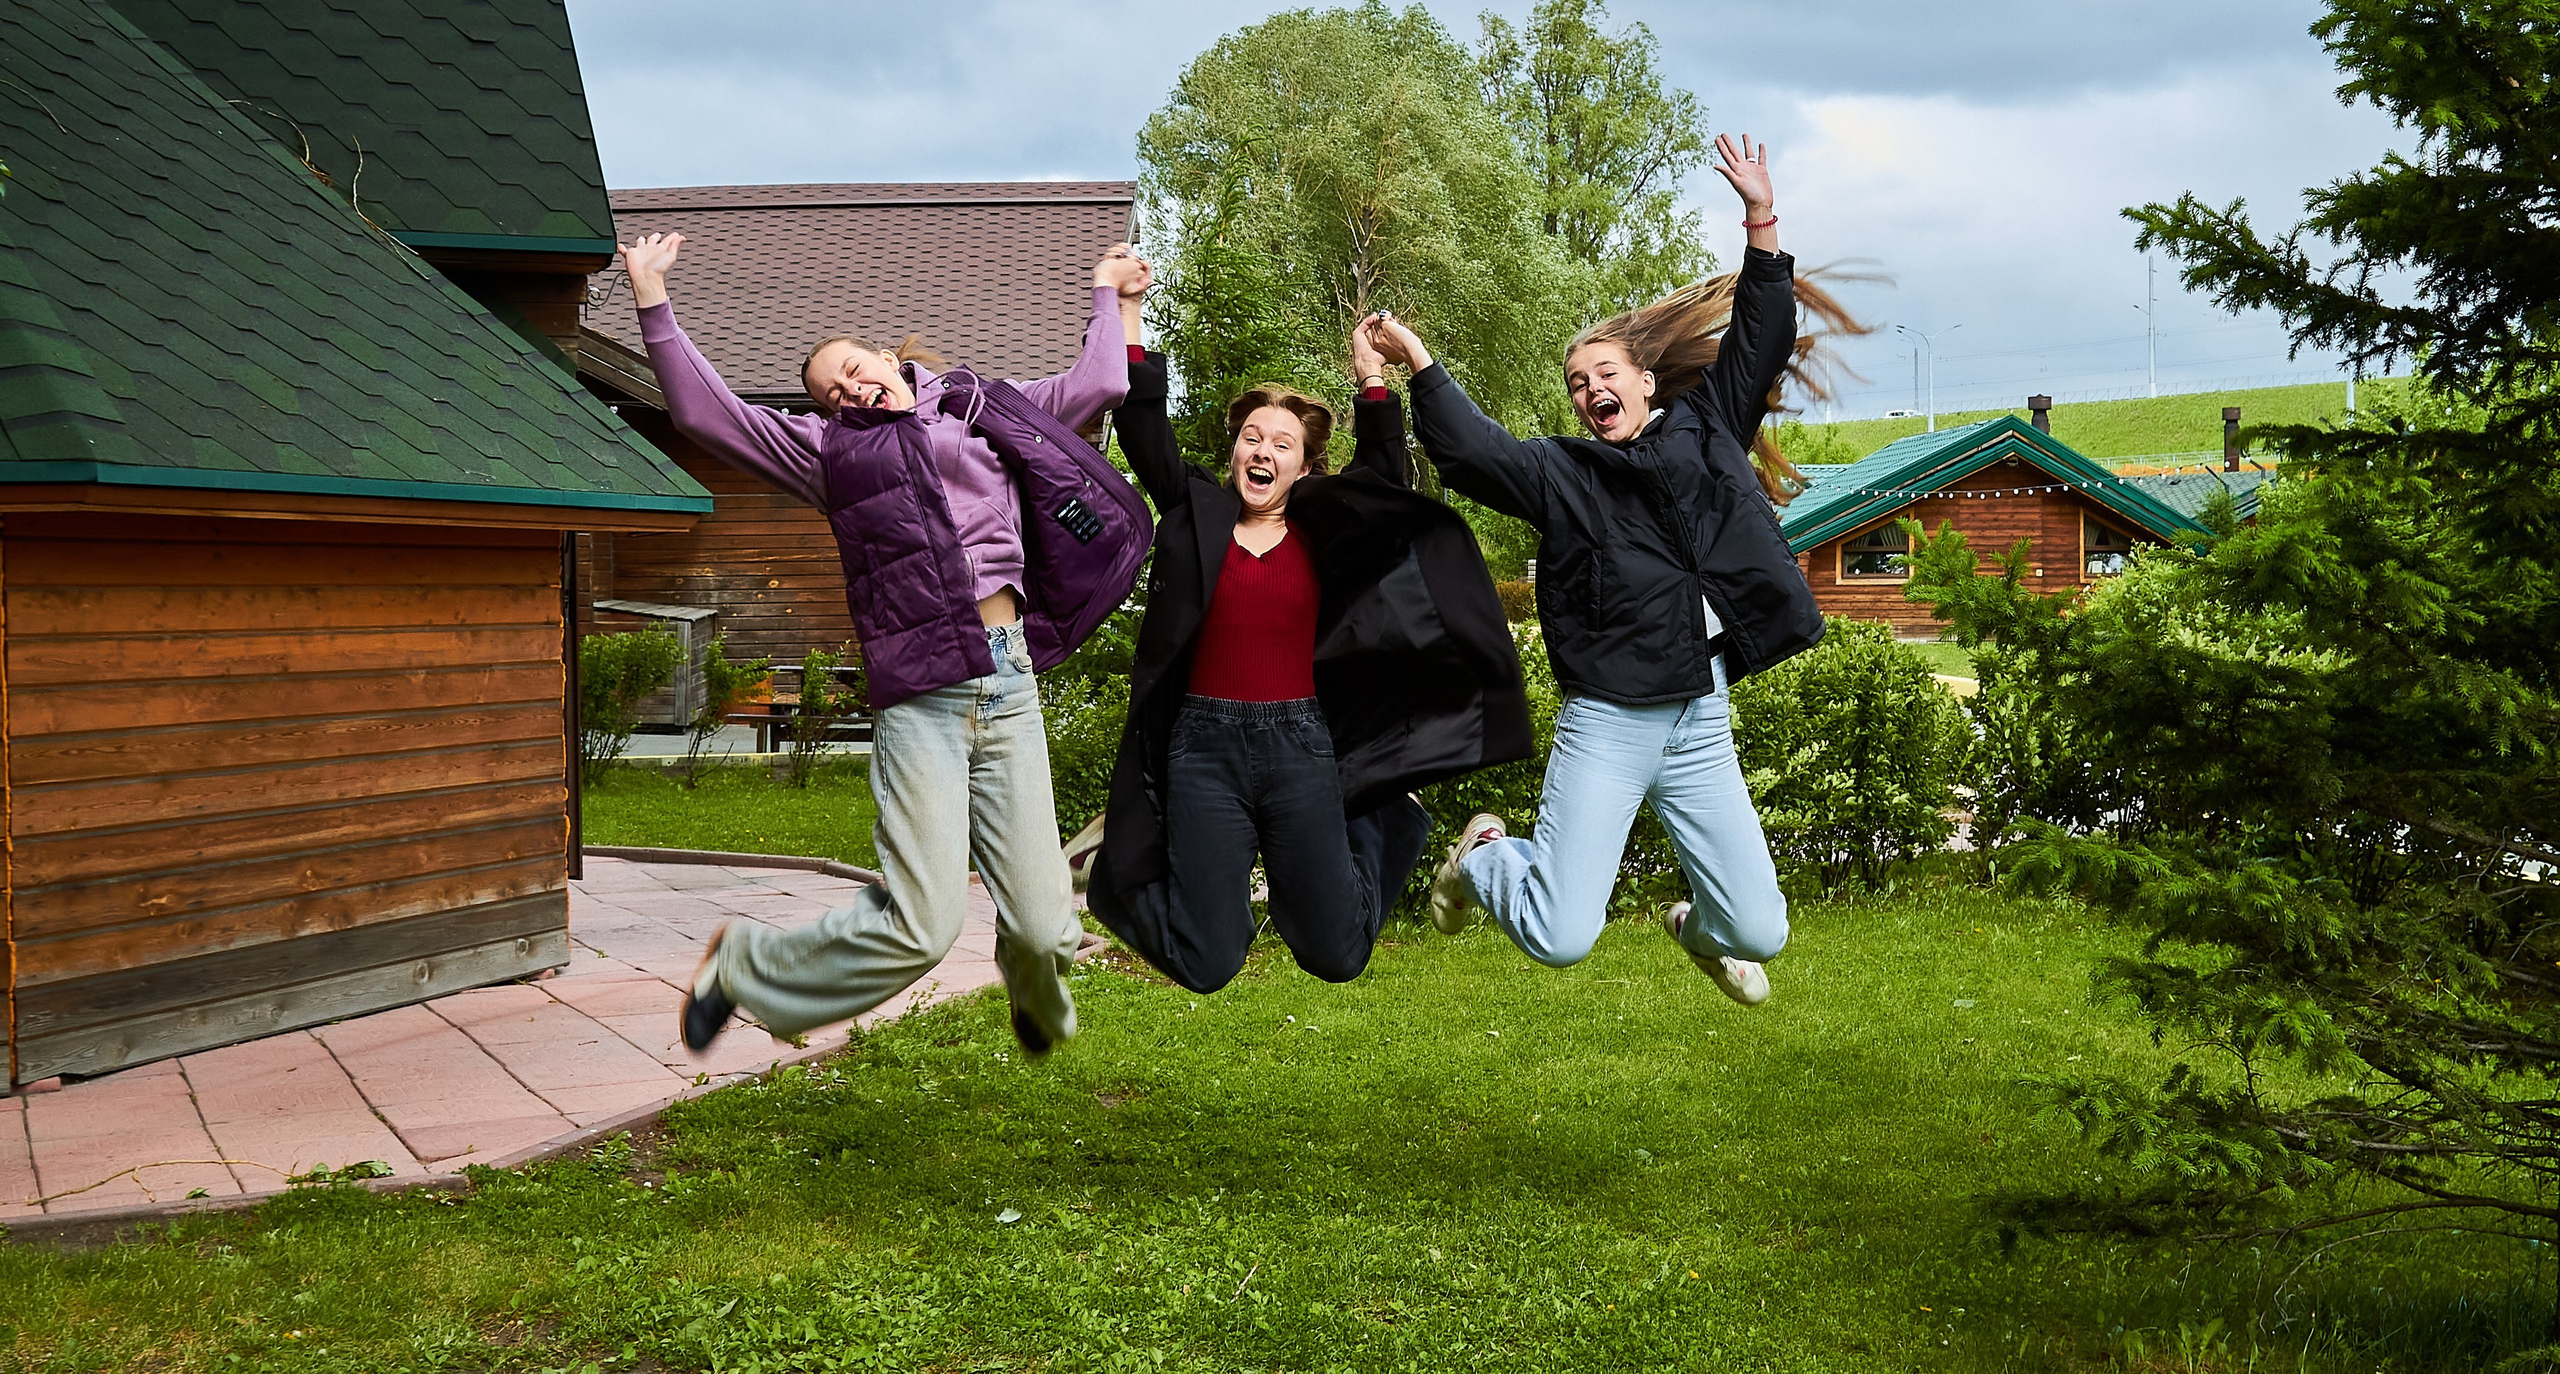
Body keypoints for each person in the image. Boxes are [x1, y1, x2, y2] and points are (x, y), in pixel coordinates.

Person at [616, 231, 1155, 1059]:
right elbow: (705, 415)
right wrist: (654, 299)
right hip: (924, 696)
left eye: (853, 368)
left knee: (1050, 930)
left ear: (883, 354)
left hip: (1009, 680)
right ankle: (745, 971)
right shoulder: (833, 455)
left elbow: (1102, 381)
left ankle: (1032, 980)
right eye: (833, 393)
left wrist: (1109, 296)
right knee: (923, 927)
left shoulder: (982, 404)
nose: (850, 390)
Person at [1364, 133, 1858, 1007]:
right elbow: (1474, 454)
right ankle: (1485, 857)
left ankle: (1690, 928)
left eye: (1603, 372)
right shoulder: (1563, 472)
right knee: (1560, 935)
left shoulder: (1709, 425)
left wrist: (1759, 216)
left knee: (1758, 930)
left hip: (1699, 718)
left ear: (1644, 382)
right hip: (1610, 720)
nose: (1590, 388)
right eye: (1575, 382)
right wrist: (1421, 365)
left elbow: (1763, 331)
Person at [1077, 324, 1534, 994]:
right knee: (1207, 963)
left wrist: (1371, 378)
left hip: (1300, 747)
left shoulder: (1325, 528)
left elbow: (1383, 471)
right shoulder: (1195, 510)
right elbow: (1146, 432)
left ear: (1305, 465)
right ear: (1234, 450)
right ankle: (1111, 876)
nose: (1262, 451)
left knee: (1338, 952)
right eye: (1251, 438)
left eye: (1281, 444)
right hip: (1202, 751)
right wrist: (1131, 319)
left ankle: (1389, 812)